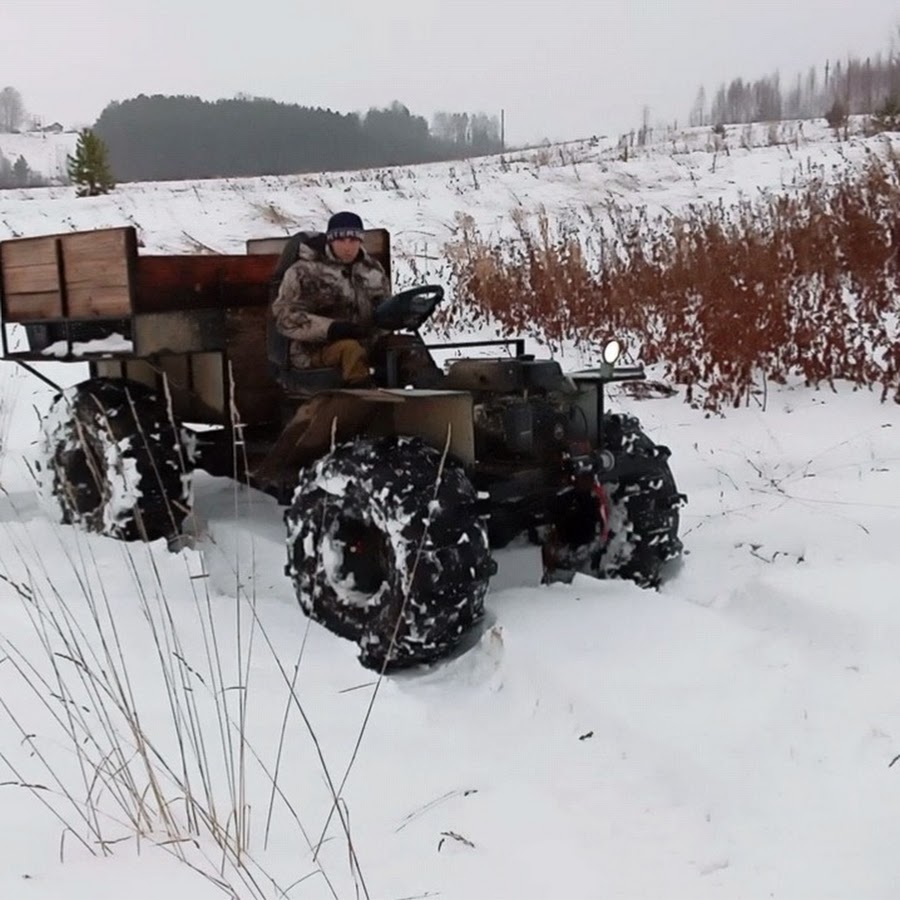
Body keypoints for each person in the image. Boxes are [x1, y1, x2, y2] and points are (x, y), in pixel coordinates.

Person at [271, 211, 389, 385]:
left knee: (406, 346)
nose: (348, 247)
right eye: (341, 240)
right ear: (330, 240)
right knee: (351, 350)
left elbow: (384, 305)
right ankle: (364, 402)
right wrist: (330, 329)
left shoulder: (372, 270)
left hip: (367, 343)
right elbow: (285, 317)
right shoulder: (304, 272)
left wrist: (400, 314)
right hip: (314, 351)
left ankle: (434, 399)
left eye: (353, 240)